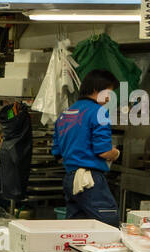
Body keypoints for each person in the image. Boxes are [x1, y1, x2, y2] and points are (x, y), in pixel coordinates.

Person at [51, 69, 121, 226]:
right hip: (89, 180)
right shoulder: (99, 112)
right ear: (96, 90)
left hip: (70, 178)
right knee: (109, 224)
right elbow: (103, 151)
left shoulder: (65, 113)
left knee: (77, 229)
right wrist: (115, 153)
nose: (109, 98)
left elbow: (57, 153)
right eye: (108, 93)